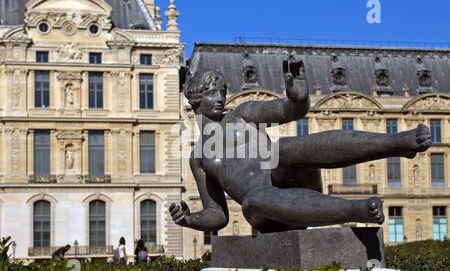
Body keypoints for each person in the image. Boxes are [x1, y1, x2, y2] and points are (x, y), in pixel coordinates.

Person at [170, 60, 432, 233]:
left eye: (223, 91)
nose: (221, 98)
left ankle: (397, 143)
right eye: (212, 93)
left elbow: (290, 110)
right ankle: (356, 210)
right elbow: (218, 214)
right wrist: (189, 219)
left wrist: (298, 97)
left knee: (279, 151)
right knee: (254, 199)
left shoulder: (243, 114)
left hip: (294, 181)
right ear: (195, 99)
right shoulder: (199, 157)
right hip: (264, 213)